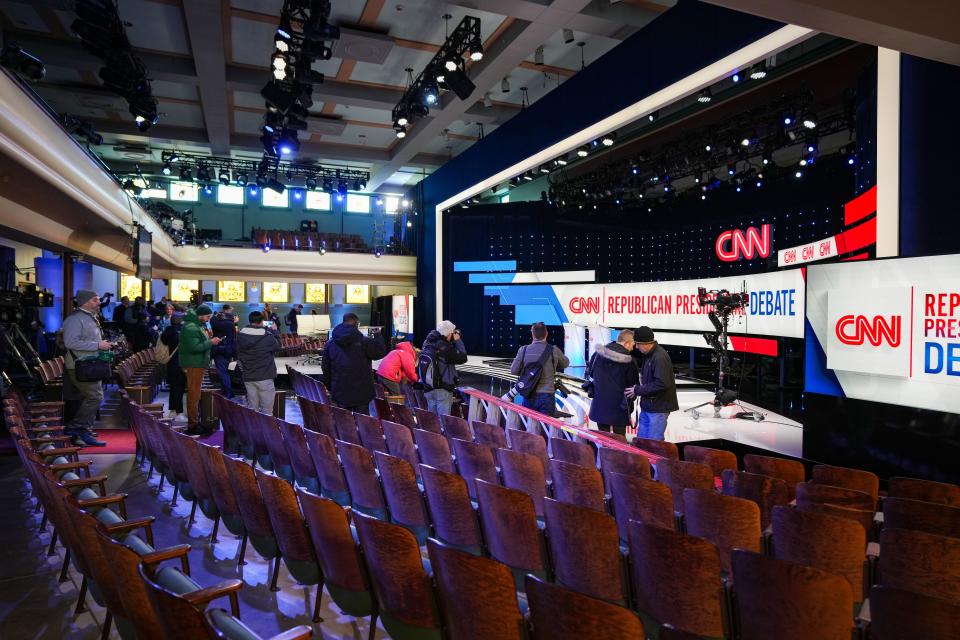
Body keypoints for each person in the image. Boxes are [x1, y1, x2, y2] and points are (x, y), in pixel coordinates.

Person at [61, 289, 110, 446]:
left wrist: (104, 345)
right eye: (96, 300)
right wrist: (97, 345)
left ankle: (84, 432)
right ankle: (74, 428)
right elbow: (70, 342)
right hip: (78, 366)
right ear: (86, 302)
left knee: (93, 397)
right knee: (95, 397)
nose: (99, 302)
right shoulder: (74, 319)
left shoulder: (91, 317)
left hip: (90, 365)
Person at [321, 313, 387, 414]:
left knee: (343, 422)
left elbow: (326, 367)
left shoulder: (329, 344)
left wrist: (330, 386)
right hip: (361, 392)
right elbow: (380, 353)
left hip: (339, 389)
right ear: (356, 324)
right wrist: (378, 336)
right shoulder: (365, 342)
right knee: (363, 423)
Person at [625, 326, 679, 441]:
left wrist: (638, 390)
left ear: (644, 343)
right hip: (649, 406)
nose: (636, 347)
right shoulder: (649, 355)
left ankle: (653, 460)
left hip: (658, 408)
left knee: (654, 443)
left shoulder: (659, 357)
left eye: (638, 344)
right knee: (642, 440)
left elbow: (662, 383)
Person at [509, 322, 570, 417]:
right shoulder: (554, 350)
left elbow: (513, 371)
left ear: (532, 335)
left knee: (528, 425)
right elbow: (566, 363)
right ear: (547, 334)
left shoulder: (523, 350)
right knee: (546, 428)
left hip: (528, 394)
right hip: (547, 396)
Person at [179, 304, 222, 436]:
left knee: (195, 393)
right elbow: (194, 348)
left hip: (197, 363)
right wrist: (211, 342)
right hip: (193, 364)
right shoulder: (191, 327)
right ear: (201, 315)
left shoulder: (196, 325)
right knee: (194, 394)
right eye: (207, 316)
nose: (208, 319)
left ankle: (195, 422)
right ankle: (192, 425)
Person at [587, 330, 639, 436]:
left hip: (599, 407)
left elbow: (591, 373)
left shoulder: (598, 354)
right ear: (626, 343)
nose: (633, 348)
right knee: (619, 443)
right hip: (620, 409)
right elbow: (633, 385)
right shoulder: (629, 360)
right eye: (632, 345)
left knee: (603, 441)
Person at [236, 311, 281, 413]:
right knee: (267, 410)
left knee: (252, 409)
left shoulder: (240, 336)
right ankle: (265, 429)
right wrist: (275, 332)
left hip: (248, 376)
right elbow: (278, 347)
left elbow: (237, 353)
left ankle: (253, 428)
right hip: (264, 376)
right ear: (261, 322)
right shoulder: (267, 336)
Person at [420, 320, 467, 416]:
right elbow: (463, 357)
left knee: (432, 421)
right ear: (449, 334)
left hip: (428, 387)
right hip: (443, 389)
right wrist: (457, 340)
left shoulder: (426, 343)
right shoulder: (445, 348)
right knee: (443, 422)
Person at [160, 312, 186, 421]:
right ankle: (179, 413)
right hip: (181, 363)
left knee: (173, 388)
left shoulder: (168, 330)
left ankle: (171, 410)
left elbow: (163, 341)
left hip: (170, 362)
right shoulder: (184, 331)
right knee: (179, 388)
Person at [211, 304, 237, 398]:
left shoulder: (218, 323)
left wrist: (215, 316)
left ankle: (227, 392)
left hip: (220, 350)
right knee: (225, 371)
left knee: (222, 371)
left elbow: (213, 321)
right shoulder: (231, 324)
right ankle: (227, 391)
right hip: (228, 350)